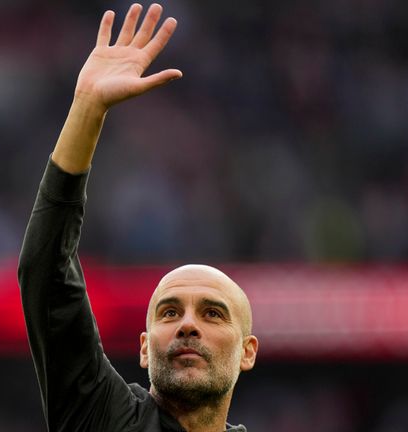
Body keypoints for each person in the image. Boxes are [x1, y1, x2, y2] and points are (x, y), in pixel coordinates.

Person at [18, 3, 259, 432]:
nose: (187, 325)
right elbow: (46, 275)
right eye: (169, 313)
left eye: (212, 314)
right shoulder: (103, 418)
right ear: (145, 349)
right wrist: (88, 109)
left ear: (247, 351)